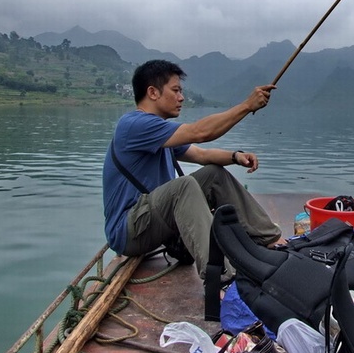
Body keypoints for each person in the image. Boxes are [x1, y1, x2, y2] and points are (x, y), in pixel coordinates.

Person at [102, 59, 283, 284]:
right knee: (183, 186)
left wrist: (235, 156)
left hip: (149, 222)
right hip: (129, 232)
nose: (181, 97)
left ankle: (270, 240)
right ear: (153, 92)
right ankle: (220, 276)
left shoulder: (159, 131)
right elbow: (200, 133)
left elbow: (201, 155)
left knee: (213, 173)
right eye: (175, 90)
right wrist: (247, 105)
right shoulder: (134, 125)